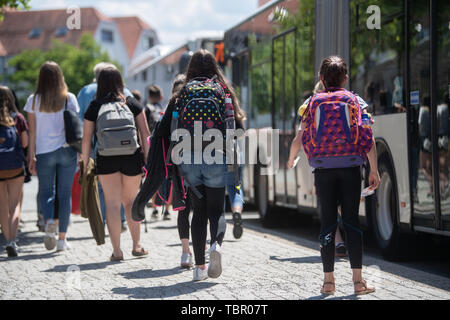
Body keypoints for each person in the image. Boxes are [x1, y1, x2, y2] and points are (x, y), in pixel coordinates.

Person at [287, 56, 380, 295]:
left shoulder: (311, 103)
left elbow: (303, 135)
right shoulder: (355, 101)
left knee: (328, 224)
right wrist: (374, 169)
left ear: (321, 78)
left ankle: (328, 283)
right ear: (345, 78)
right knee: (351, 222)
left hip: (323, 169)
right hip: (351, 167)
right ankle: (358, 283)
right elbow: (367, 137)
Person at [160, 49, 246, 281]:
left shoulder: (182, 92)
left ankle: (199, 268)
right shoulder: (222, 90)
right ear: (214, 66)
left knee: (198, 211)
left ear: (191, 67)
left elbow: (166, 128)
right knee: (216, 210)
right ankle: (215, 246)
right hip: (216, 154)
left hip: (188, 157)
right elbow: (239, 129)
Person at [81, 67, 150, 261]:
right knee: (130, 201)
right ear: (120, 82)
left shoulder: (94, 106)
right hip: (131, 157)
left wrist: (85, 164)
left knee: (112, 204)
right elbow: (145, 134)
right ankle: (137, 245)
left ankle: (117, 251)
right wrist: (148, 160)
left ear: (100, 83)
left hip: (106, 158)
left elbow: (86, 140)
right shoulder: (132, 103)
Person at [25, 61, 79, 252]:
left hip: (44, 152)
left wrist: (31, 156)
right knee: (64, 195)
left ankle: (49, 222)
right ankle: (62, 239)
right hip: (67, 151)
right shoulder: (69, 98)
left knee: (46, 192)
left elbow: (32, 132)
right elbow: (75, 128)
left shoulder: (33, 100)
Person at [77, 62, 130, 233]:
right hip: (126, 147)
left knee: (100, 185)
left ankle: (105, 219)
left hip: (98, 146)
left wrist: (83, 157)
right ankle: (121, 219)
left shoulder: (86, 92)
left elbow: (80, 120)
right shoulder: (125, 93)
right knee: (122, 185)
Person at [0, 86, 27, 257]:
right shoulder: (18, 118)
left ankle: (6, 240)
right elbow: (24, 144)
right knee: (15, 204)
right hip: (16, 167)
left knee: (2, 207)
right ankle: (12, 242)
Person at [145, 84, 170, 221]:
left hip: (153, 147)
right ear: (160, 96)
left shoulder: (147, 109)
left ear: (149, 96)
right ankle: (166, 209)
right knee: (167, 177)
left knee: (153, 177)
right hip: (165, 147)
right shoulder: (165, 108)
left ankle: (155, 208)